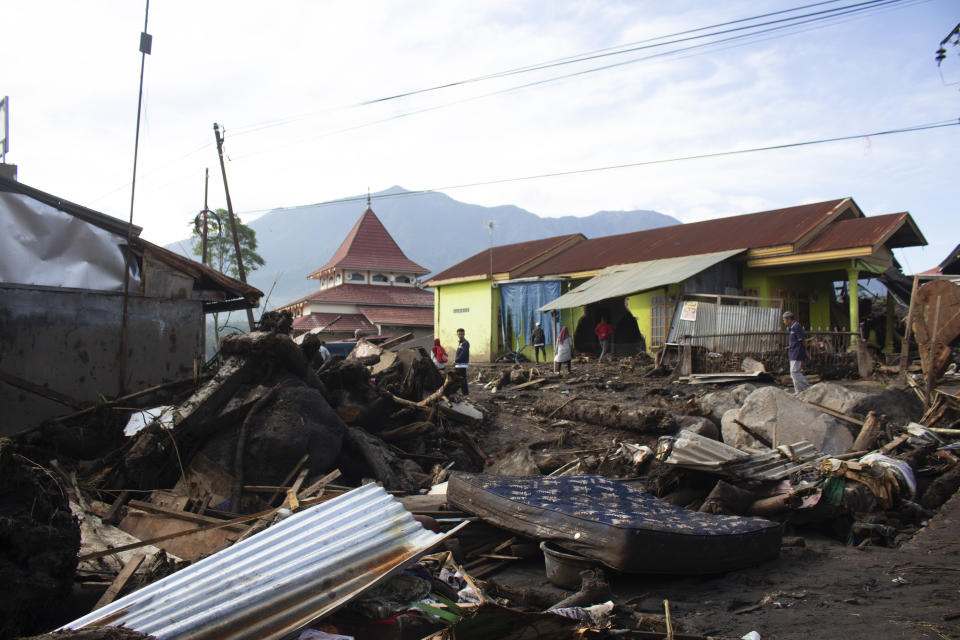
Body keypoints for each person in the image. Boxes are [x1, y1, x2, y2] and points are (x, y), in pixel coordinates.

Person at [783, 311, 810, 394]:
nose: (784, 322)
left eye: (784, 320)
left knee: (794, 372)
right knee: (793, 373)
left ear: (789, 319)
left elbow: (803, 340)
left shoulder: (796, 326)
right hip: (792, 352)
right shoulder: (792, 327)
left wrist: (806, 351)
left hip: (797, 352)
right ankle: (798, 391)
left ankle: (808, 387)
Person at [454, 328, 470, 395]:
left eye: (461, 334)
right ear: (457, 334)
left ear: (464, 334)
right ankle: (457, 392)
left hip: (462, 364)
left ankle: (465, 393)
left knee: (462, 379)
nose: (460, 335)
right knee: (457, 379)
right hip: (458, 364)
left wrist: (456, 361)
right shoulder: (460, 342)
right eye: (459, 334)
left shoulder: (465, 343)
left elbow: (463, 354)